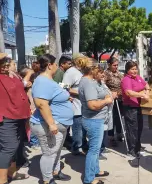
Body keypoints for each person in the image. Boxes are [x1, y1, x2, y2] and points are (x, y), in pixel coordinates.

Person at [30, 54, 73, 184]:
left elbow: (52, 97)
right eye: (55, 64)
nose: (57, 67)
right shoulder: (42, 81)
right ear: (49, 65)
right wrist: (52, 124)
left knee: (56, 151)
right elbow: (41, 104)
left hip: (60, 123)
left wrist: (65, 98)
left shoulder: (48, 80)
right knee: (49, 153)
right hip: (47, 124)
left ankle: (55, 171)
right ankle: (47, 180)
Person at [78, 59, 113, 184]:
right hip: (94, 120)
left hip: (93, 119)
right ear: (92, 69)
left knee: (95, 149)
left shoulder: (86, 81)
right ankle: (89, 179)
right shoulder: (88, 83)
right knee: (93, 150)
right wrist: (106, 101)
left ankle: (95, 170)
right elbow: (92, 105)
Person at [0, 53, 31, 184]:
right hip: (7, 117)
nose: (6, 66)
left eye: (7, 63)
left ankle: (11, 173)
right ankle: (2, 180)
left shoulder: (13, 75)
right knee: (8, 148)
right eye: (3, 63)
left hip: (19, 116)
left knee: (15, 145)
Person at [121, 61, 150, 157]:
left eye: (135, 69)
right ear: (127, 70)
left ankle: (137, 147)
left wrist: (147, 92)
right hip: (130, 107)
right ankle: (131, 150)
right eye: (132, 69)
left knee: (139, 128)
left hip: (138, 106)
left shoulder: (138, 78)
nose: (134, 71)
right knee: (132, 129)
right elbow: (129, 92)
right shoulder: (126, 79)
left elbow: (146, 85)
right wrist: (142, 94)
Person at [62, 56, 88, 155]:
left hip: (83, 105)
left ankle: (83, 145)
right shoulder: (71, 72)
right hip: (76, 106)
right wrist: (79, 92)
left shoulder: (80, 72)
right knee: (78, 128)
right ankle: (77, 147)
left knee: (83, 128)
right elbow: (63, 86)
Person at [104, 57, 124, 147]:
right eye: (114, 65)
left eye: (117, 65)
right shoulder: (106, 74)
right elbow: (102, 86)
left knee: (119, 118)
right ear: (109, 65)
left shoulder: (119, 73)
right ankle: (111, 137)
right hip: (111, 99)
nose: (116, 67)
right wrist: (110, 93)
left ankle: (119, 134)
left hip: (120, 98)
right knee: (111, 118)